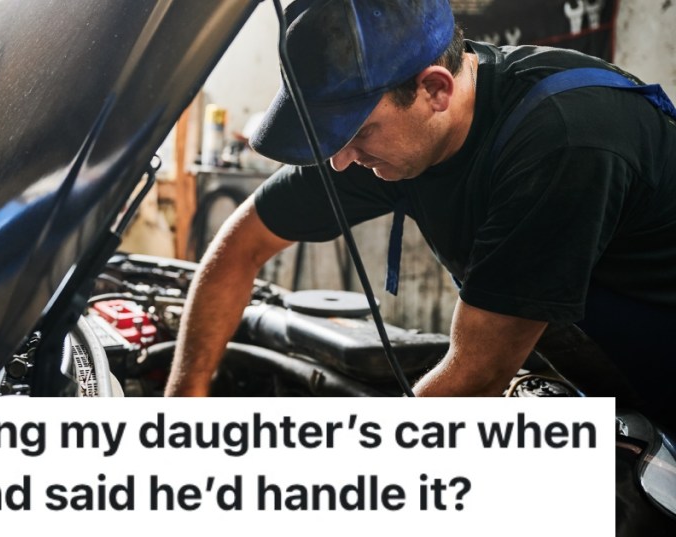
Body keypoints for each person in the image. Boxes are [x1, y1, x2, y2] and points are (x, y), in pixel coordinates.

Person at [164, 0, 676, 421]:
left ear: (435, 89)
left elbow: (477, 374)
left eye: (357, 132)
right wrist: (183, 406)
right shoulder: (396, 139)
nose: (340, 161)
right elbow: (240, 246)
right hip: (599, 383)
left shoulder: (564, 140)